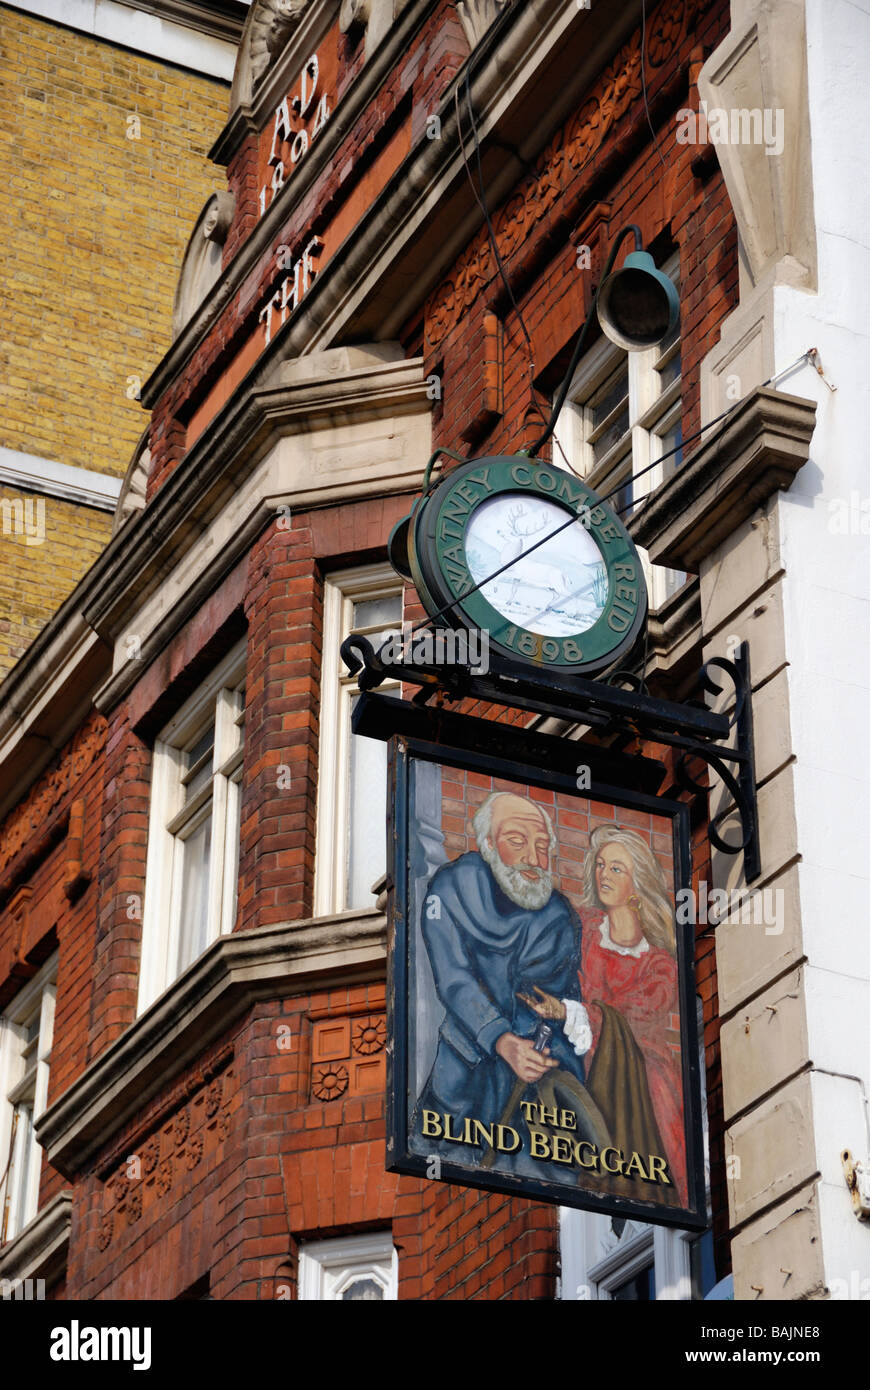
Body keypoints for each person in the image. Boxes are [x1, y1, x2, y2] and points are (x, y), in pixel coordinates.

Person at [414, 791, 602, 1173]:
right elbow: (455, 981)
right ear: (487, 845)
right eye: (517, 841)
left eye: (542, 845)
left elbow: (563, 998)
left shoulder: (559, 916)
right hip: (465, 1081)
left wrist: (550, 1042)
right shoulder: (450, 889)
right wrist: (502, 1039)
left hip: (533, 1089)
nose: (534, 859)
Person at [519, 823, 687, 1205]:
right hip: (574, 1061)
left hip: (640, 1075)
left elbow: (635, 1012)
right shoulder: (586, 928)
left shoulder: (659, 965)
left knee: (653, 1172)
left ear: (637, 883)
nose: (603, 875)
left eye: (616, 868)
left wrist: (569, 1010)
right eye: (600, 865)